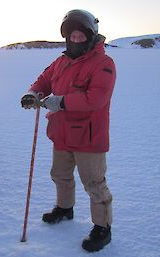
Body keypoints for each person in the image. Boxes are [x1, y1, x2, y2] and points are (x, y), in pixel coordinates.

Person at [21, 9, 116, 252]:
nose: (75, 40)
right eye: (71, 36)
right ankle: (65, 208)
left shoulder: (104, 64)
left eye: (80, 36)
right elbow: (44, 79)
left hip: (89, 137)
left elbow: (95, 98)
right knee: (60, 174)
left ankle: (103, 228)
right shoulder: (61, 61)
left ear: (90, 36)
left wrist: (61, 102)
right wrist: (33, 93)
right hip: (61, 133)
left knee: (94, 184)